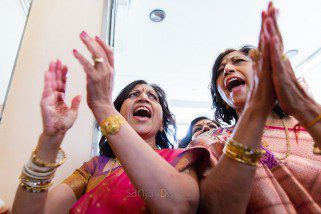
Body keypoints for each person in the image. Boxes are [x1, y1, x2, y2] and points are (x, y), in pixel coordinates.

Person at [12, 32, 211, 213]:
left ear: (161, 124)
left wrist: (103, 107)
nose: (143, 97)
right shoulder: (96, 166)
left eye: (153, 97)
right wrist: (50, 140)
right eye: (134, 94)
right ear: (120, 114)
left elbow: (179, 207)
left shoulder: (179, 158)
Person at [188, 2, 321, 213]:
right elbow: (214, 208)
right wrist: (257, 107)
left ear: (262, 70)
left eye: (238, 61)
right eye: (221, 71)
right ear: (223, 98)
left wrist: (302, 104)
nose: (228, 69)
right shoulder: (210, 141)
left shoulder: (310, 122)